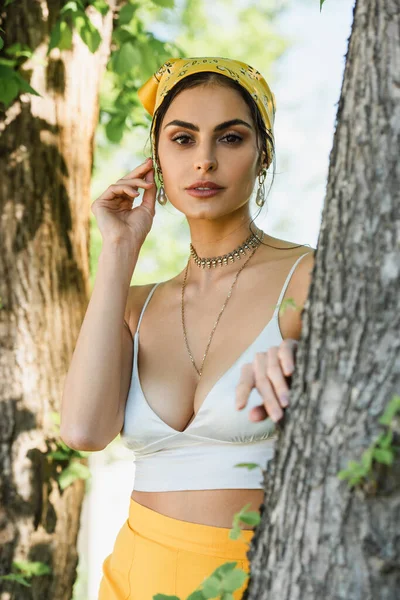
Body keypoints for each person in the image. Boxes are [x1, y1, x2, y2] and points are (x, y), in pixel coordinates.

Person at [60, 57, 315, 599]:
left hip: (261, 576)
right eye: (182, 139)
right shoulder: (133, 303)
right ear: (156, 159)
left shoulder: (312, 277)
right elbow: (84, 431)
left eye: (230, 137)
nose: (204, 160)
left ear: (262, 155)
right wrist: (120, 249)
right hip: (132, 575)